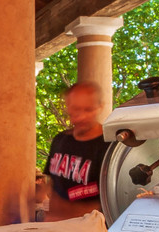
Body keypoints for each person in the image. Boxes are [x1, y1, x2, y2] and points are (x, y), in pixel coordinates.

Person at [44, 82, 110, 221]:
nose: (81, 116)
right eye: (76, 109)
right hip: (55, 227)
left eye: (88, 110)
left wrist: (64, 215)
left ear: (100, 107)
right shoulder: (59, 140)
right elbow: (53, 187)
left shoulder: (108, 147)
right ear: (67, 107)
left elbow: (107, 202)